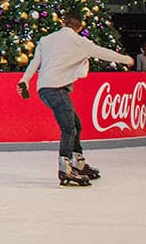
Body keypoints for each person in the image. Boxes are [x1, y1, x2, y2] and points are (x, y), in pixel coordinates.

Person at [16, 10, 133, 187]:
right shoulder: (80, 42)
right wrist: (127, 60)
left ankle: (78, 163)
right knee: (69, 128)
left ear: (63, 23)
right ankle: (66, 169)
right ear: (80, 27)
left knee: (75, 125)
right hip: (57, 89)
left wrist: (25, 80)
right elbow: (103, 53)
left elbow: (34, 63)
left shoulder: (46, 40)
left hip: (45, 89)